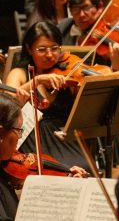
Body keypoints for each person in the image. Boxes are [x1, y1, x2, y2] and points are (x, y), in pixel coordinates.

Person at [4, 21, 112, 170]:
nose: (49, 55)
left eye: (55, 48)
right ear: (29, 49)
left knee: (85, 166)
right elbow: (6, 105)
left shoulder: (69, 71)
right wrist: (37, 81)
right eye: (42, 49)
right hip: (34, 139)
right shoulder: (20, 74)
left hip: (64, 137)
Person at [57, 0, 119, 70]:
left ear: (100, 7)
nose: (81, 14)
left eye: (86, 7)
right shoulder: (63, 28)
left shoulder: (115, 35)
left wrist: (117, 66)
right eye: (75, 9)